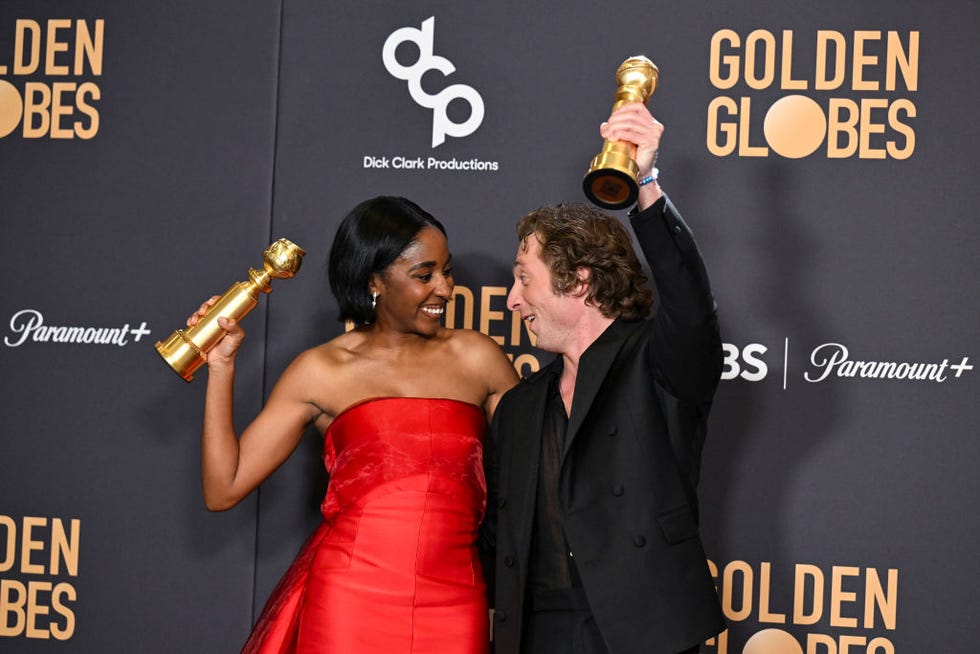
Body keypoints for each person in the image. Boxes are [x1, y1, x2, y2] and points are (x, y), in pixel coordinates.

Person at [188, 196, 519, 653]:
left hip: (456, 600)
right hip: (349, 600)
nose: (444, 288)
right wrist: (221, 367)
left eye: (447, 271)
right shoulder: (321, 369)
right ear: (374, 281)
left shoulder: (479, 357)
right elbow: (223, 487)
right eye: (424, 275)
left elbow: (537, 470)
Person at [484, 103, 727, 654]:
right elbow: (499, 539)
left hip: (642, 633)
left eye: (525, 279)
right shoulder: (520, 406)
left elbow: (691, 306)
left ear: (579, 280)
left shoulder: (657, 362)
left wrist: (643, 181)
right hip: (536, 634)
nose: (511, 298)